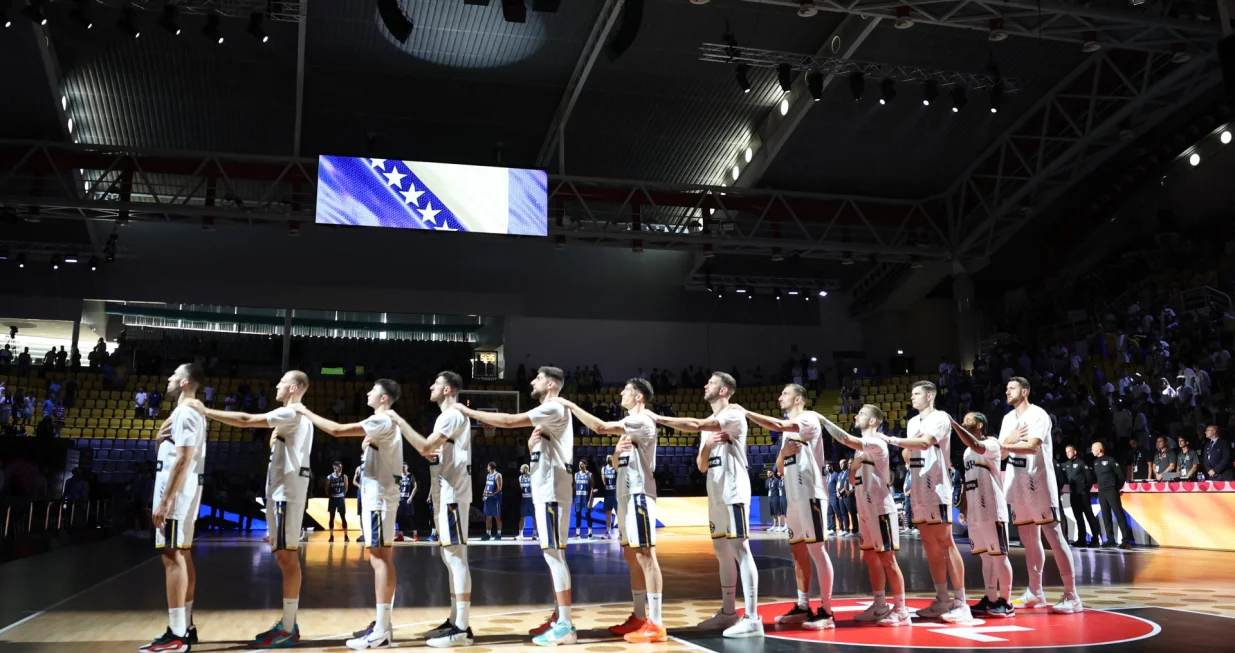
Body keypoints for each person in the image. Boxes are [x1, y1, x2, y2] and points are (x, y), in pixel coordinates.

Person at [185, 370, 313, 648]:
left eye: (281, 382)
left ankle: (289, 627)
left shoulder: (292, 414)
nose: (276, 385)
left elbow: (245, 420)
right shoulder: (293, 418)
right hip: (281, 495)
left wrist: (206, 410)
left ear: (294, 387)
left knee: (288, 559)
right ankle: (288, 624)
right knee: (284, 558)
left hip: (285, 496)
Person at [459, 367, 578, 645]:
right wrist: (530, 444)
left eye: (537, 377)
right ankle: (559, 616)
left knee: (555, 555)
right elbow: (542, 450)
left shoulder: (555, 407)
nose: (532, 381)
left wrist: (471, 413)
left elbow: (511, 421)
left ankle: (566, 626)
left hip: (551, 492)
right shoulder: (548, 417)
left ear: (551, 384)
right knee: (551, 555)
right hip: (544, 490)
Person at [649, 372, 762, 638]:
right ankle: (728, 612)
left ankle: (753, 617)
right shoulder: (710, 427)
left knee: (740, 548)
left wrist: (660, 419)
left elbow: (696, 424)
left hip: (734, 490)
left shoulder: (733, 413)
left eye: (710, 383)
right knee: (721, 550)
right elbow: (701, 465)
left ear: (724, 390)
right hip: (715, 490)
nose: (705, 385)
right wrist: (707, 447)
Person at [554, 379, 666, 643]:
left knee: (646, 555)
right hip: (625, 495)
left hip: (640, 494)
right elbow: (616, 465)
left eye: (626, 390)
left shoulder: (642, 420)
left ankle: (657, 623)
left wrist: (570, 405)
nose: (621, 393)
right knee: (631, 556)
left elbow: (600, 427)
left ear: (639, 397)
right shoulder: (629, 428)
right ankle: (639, 616)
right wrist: (616, 452)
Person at [296, 379, 404, 650]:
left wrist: (304, 411)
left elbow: (336, 429)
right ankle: (383, 625)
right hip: (376, 497)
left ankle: (381, 630)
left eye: (373, 390)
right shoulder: (382, 424)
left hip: (379, 499)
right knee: (380, 558)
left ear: (384, 397)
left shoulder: (382, 420)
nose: (367, 392)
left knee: (380, 558)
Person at [743, 384, 837, 630]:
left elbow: (779, 425)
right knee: (797, 553)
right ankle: (803, 606)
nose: (779, 397)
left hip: (811, 495)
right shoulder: (788, 433)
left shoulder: (807, 419)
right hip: (793, 498)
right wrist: (783, 453)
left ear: (798, 399)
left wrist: (748, 413)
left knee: (817, 550)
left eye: (784, 394)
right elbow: (780, 469)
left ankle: (827, 612)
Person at [393, 370, 474, 648]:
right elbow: (432, 453)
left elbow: (426, 446)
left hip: (454, 494)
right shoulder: (447, 416)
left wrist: (400, 422)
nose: (431, 386)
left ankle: (461, 628)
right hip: (447, 492)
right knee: (449, 557)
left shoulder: (451, 415)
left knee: (455, 557)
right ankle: (455, 621)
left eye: (436, 383)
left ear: (448, 390)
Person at [878, 381, 969, 623]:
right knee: (929, 545)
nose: (912, 398)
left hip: (937, 487)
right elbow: (908, 455)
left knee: (945, 542)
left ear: (929, 396)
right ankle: (942, 599)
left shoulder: (941, 417)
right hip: (917, 485)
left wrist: (894, 440)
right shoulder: (912, 423)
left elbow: (925, 443)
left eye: (916, 394)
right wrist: (909, 444)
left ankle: (961, 602)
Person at [821, 405, 911, 627]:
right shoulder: (860, 451)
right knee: (871, 558)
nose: (855, 416)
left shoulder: (877, 444)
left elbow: (845, 438)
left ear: (873, 421)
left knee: (888, 560)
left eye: (861, 414)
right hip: (865, 512)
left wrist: (823, 420)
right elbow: (853, 481)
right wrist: (852, 469)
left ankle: (901, 610)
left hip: (881, 510)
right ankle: (880, 605)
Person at [139, 363, 207, 653]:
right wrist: (157, 440)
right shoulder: (186, 413)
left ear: (185, 382)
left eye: (174, 374)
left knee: (172, 555)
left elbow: (183, 459)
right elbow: (169, 455)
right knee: (183, 554)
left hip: (177, 495)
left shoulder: (186, 412)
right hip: (182, 492)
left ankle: (177, 633)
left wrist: (165, 501)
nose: (168, 377)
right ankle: (186, 626)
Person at [1000, 377, 1082, 613]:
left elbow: (1033, 445)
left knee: (1054, 537)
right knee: (1028, 541)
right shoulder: (1007, 419)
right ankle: (1035, 592)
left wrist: (1008, 442)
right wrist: (1007, 443)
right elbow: (1003, 454)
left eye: (1012, 387)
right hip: (1017, 483)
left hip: (1039, 483)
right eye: (1007, 388)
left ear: (1024, 391)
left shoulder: (1039, 415)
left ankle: (1072, 595)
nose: (1007, 390)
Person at [949, 413, 1015, 618]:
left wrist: (953, 424)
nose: (963, 421)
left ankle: (1007, 601)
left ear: (979, 424)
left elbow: (977, 446)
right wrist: (965, 508)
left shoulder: (992, 444)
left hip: (993, 508)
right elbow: (968, 482)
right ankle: (990, 598)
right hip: (976, 511)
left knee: (999, 556)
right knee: (986, 558)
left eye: (968, 419)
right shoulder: (967, 452)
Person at [1091, 441, 1132, 548]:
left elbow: (1121, 476)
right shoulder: (1095, 463)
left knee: (1119, 514)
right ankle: (1110, 540)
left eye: (1093, 449)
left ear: (1100, 449)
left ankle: (1126, 541)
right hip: (1102, 492)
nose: (1091, 451)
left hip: (1111, 491)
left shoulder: (1110, 460)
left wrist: (1115, 488)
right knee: (1106, 516)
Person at [1062, 445, 1101, 547]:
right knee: (1078, 518)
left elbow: (1090, 479)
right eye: (1066, 452)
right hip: (1073, 495)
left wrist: (1085, 490)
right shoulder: (1066, 465)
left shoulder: (1081, 463)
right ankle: (1081, 539)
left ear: (1075, 452)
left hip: (1083, 494)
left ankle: (1095, 539)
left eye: (1069, 452)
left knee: (1089, 516)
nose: (1067, 454)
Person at [326, 461, 350, 543]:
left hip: (340, 498)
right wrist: (332, 495)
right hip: (333, 499)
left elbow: (346, 488)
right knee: (331, 518)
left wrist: (341, 495)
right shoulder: (329, 477)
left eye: (341, 466)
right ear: (334, 467)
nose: (341, 468)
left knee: (343, 518)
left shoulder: (344, 477)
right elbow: (326, 489)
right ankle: (331, 536)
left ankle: (346, 536)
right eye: (339, 467)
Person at [395, 463, 417, 542]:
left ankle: (415, 534)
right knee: (400, 517)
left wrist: (411, 497)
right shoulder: (398, 476)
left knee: (410, 517)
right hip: (400, 499)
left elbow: (415, 487)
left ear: (407, 467)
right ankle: (401, 535)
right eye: (402, 467)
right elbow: (395, 487)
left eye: (404, 467)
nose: (403, 468)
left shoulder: (411, 476)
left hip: (408, 499)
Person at [572, 460, 594, 539]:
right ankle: (577, 533)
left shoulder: (589, 475)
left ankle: (590, 532)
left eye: (582, 464)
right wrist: (574, 499)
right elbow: (574, 488)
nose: (580, 466)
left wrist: (590, 501)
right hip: (578, 498)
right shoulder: (576, 475)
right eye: (579, 464)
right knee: (578, 515)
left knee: (587, 515)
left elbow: (592, 489)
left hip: (586, 498)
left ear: (585, 465)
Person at [482, 462, 503, 541]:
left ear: (490, 467)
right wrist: (484, 493)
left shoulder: (498, 475)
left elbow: (499, 488)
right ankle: (488, 534)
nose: (487, 468)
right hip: (488, 499)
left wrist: (491, 494)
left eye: (488, 467)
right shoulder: (488, 475)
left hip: (495, 499)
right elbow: (486, 485)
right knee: (488, 517)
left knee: (497, 517)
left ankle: (499, 534)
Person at [600, 457, 618, 539]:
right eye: (607, 457)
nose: (608, 458)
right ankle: (608, 532)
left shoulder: (615, 468)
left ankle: (622, 533)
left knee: (618, 514)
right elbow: (604, 482)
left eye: (610, 457)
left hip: (615, 493)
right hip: (607, 493)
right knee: (608, 513)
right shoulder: (603, 469)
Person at [517, 464, 536, 541]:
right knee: (522, 517)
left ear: (525, 469)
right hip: (524, 499)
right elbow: (521, 488)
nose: (520, 470)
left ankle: (534, 534)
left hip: (532, 499)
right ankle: (520, 534)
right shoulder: (520, 477)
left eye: (521, 469)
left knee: (534, 517)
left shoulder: (532, 477)